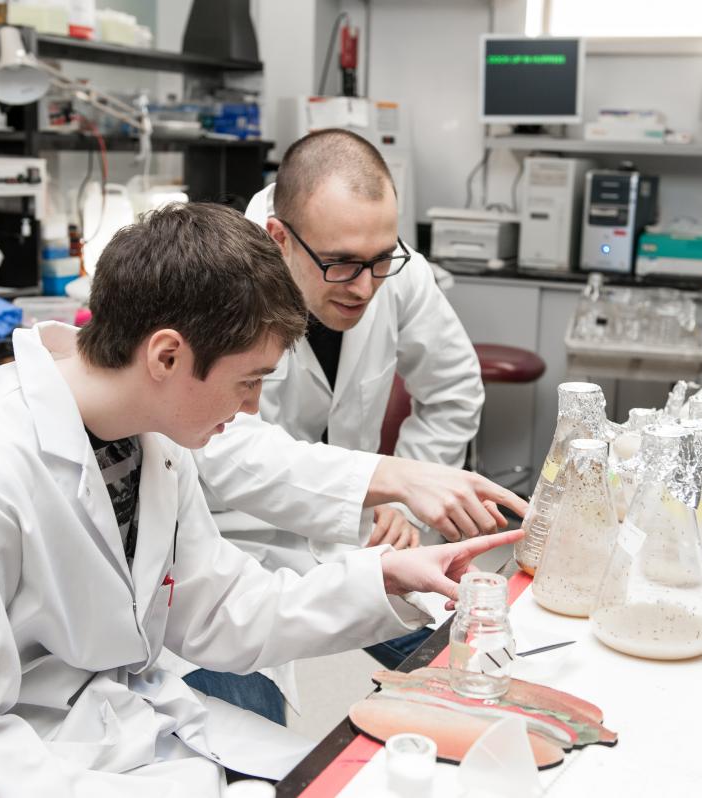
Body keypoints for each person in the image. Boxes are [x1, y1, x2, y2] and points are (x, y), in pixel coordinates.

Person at [0, 203, 524, 797]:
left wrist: (380, 579)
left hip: (109, 732)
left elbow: (217, 608)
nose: (250, 411)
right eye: (249, 383)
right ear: (165, 356)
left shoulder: (146, 441)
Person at [192, 131, 485, 716]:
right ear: (280, 238)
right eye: (343, 265)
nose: (366, 286)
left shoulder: (389, 269)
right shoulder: (210, 279)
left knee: (471, 659)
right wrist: (387, 478)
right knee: (243, 734)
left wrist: (398, 504)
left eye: (381, 260)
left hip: (351, 535)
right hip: (234, 546)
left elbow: (452, 388)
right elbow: (222, 447)